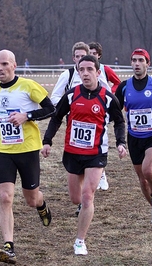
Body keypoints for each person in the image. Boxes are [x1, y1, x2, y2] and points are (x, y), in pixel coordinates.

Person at [0, 49, 55, 264]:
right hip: (4, 151)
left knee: (31, 199)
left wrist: (27, 116)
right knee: (5, 197)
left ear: (14, 65)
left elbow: (51, 109)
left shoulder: (28, 86)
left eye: (4, 64)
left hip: (27, 151)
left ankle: (42, 204)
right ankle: (9, 246)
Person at [41, 55, 127, 255]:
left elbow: (120, 122)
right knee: (75, 198)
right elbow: (56, 118)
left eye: (90, 69)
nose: (86, 73)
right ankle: (81, 209)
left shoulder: (107, 98)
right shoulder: (71, 95)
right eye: (82, 70)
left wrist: (121, 143)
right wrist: (47, 141)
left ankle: (80, 240)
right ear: (78, 73)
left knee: (88, 196)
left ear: (98, 72)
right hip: (72, 153)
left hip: (96, 154)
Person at [115, 48, 152, 226]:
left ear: (148, 64)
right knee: (142, 179)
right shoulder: (124, 87)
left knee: (149, 171)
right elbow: (115, 109)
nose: (137, 64)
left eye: (141, 60)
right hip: (134, 138)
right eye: (134, 60)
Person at [51, 42, 112, 199]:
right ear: (73, 59)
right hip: (76, 122)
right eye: (77, 57)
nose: (79, 60)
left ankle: (100, 174)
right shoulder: (68, 75)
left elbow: (108, 96)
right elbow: (55, 98)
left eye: (82, 56)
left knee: (96, 149)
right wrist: (70, 105)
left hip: (96, 120)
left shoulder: (97, 73)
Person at [88, 41, 122, 191]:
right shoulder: (83, 69)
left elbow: (118, 83)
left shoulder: (105, 69)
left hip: (102, 108)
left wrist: (110, 91)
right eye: (89, 53)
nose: (91, 55)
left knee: (100, 141)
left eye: (94, 53)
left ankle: (102, 174)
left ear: (99, 56)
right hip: (86, 109)